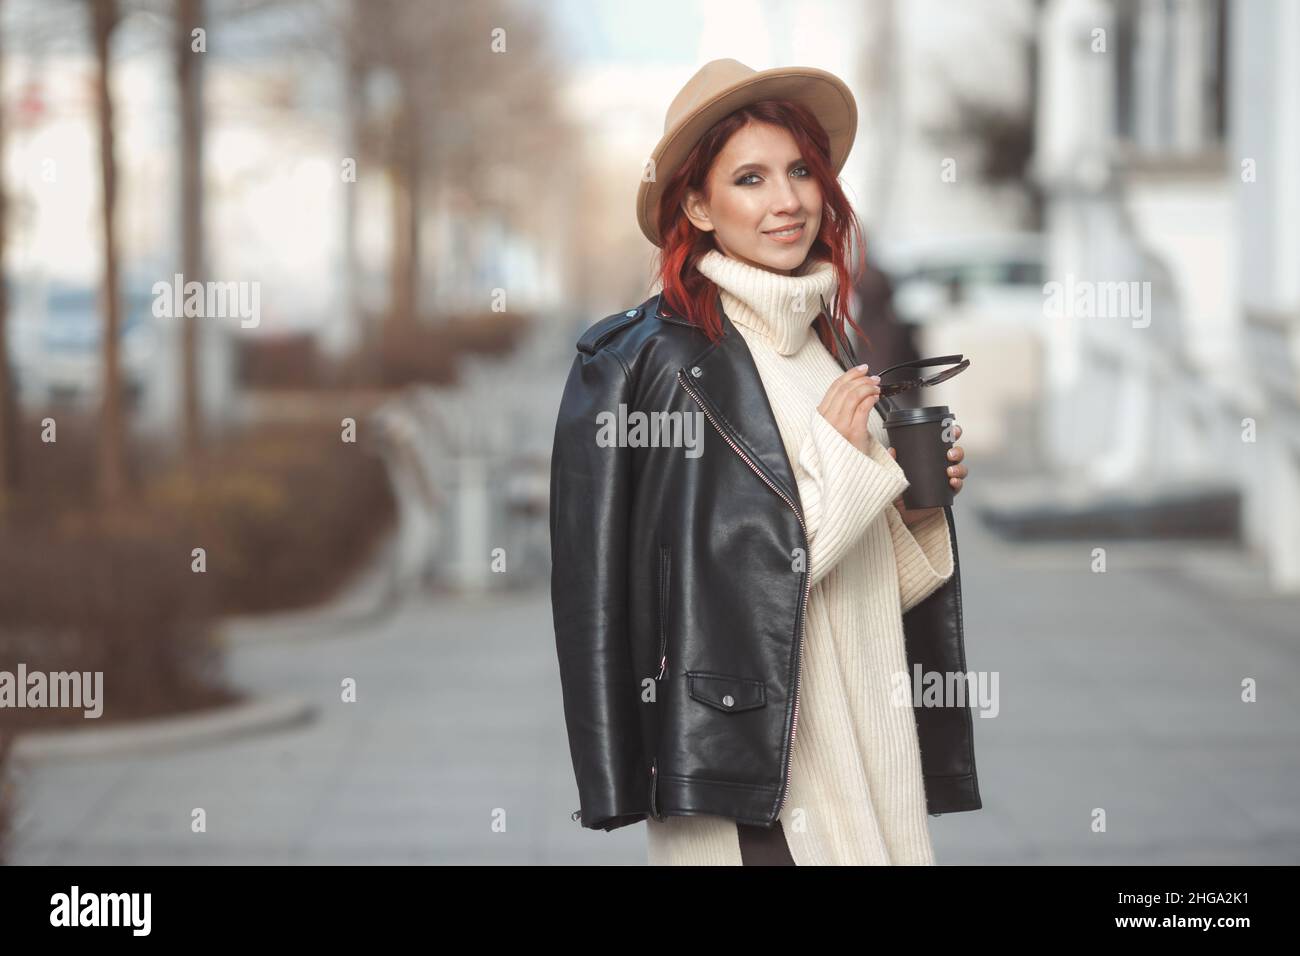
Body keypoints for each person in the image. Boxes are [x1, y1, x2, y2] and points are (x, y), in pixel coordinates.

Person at [549, 58, 977, 867]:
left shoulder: (828, 345)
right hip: (756, 774)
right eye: (749, 178)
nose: (787, 201)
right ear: (697, 205)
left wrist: (913, 512)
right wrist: (847, 470)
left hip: (864, 744)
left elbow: (850, 574)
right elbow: (715, 586)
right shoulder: (663, 364)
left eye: (800, 171)